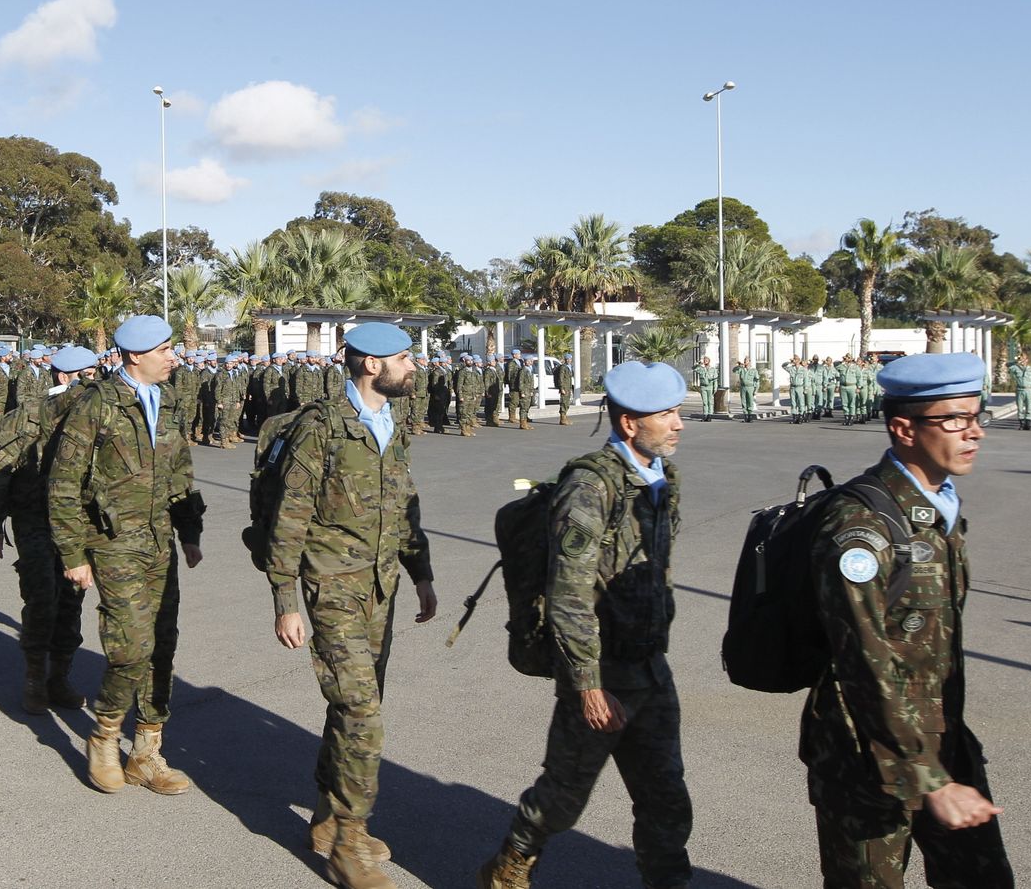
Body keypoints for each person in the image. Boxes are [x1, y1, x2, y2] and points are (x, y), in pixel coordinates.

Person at [801, 352, 1014, 888]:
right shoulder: (861, 527)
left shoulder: (939, 510)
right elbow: (863, 664)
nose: (974, 432)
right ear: (904, 428)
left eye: (976, 415)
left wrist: (943, 767)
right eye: (955, 419)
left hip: (941, 742)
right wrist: (928, 779)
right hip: (865, 756)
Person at [479, 360, 693, 889]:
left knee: (666, 797)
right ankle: (508, 870)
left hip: (649, 666)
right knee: (563, 796)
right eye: (666, 414)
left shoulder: (663, 478)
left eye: (677, 411)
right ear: (629, 424)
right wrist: (587, 684)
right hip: (602, 669)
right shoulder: (589, 489)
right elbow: (568, 594)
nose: (678, 423)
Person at [267, 322, 436, 889]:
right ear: (371, 366)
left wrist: (423, 576)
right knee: (362, 711)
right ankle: (348, 842)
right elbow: (289, 516)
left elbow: (404, 508)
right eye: (405, 359)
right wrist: (285, 600)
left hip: (380, 587)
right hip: (331, 586)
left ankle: (326, 814)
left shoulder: (394, 424)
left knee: (352, 707)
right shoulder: (321, 428)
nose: (414, 367)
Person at [47, 315, 205, 795]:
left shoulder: (170, 402)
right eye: (164, 349)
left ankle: (146, 752)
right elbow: (62, 486)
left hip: (160, 542)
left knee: (162, 644)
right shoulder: (94, 405)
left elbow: (180, 472)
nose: (173, 357)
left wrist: (190, 531)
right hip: (113, 543)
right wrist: (73, 554)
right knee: (129, 647)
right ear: (136, 355)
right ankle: (104, 735)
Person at [0, 344, 96, 714]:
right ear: (64, 377)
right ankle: (34, 679)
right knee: (42, 597)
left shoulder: (97, 414)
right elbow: (0, 470)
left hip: (78, 523)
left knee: (71, 601)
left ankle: (59, 677)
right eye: (88, 375)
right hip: (34, 519)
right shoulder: (25, 417)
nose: (96, 382)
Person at [1008, 352, 1031, 430]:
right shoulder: (1015, 368)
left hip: (1028, 390)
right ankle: (1021, 424)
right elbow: (1007, 366)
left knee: (1028, 408)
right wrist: (1016, 361)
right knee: (1020, 408)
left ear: (1027, 360)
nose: (1022, 360)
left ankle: (1027, 424)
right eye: (1021, 358)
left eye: (1024, 359)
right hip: (1019, 390)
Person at [734, 357, 761, 423]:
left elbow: (757, 381)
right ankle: (745, 415)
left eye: (746, 360)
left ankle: (750, 415)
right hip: (743, 387)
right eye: (744, 360)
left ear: (749, 362)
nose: (745, 362)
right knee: (743, 401)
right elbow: (734, 370)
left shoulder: (753, 370)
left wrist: (756, 390)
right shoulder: (741, 369)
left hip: (750, 387)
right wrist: (739, 366)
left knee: (750, 401)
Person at [693, 356, 716, 422]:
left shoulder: (713, 369)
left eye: (706, 360)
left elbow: (715, 380)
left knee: (710, 402)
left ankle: (710, 416)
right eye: (704, 360)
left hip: (710, 387)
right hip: (703, 387)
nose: (705, 361)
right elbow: (694, 368)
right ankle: (705, 415)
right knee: (705, 402)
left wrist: (715, 388)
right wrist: (698, 364)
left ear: (709, 361)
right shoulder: (701, 369)